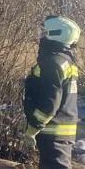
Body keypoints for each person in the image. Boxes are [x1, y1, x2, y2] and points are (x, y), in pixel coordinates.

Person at [24, 15, 81, 169]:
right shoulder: (64, 60)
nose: (41, 35)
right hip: (59, 131)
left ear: (57, 33)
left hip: (54, 133)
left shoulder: (53, 63)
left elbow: (49, 103)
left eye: (45, 31)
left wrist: (32, 129)